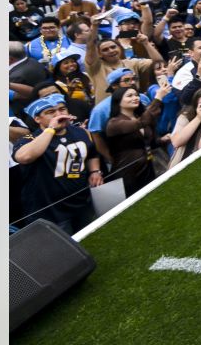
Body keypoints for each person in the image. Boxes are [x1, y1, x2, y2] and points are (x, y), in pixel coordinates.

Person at [12, 94, 103, 233]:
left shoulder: (80, 132)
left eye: (62, 109)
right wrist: (51, 129)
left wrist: (94, 171)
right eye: (50, 112)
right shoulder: (29, 139)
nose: (58, 114)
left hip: (81, 203)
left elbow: (92, 154)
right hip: (50, 211)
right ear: (37, 119)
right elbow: (25, 157)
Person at [104, 79, 173, 196]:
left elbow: (148, 143)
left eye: (136, 95)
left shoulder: (138, 116)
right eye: (129, 96)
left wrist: (162, 140)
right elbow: (140, 123)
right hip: (127, 174)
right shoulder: (114, 123)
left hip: (148, 169)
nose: (135, 98)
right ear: (118, 101)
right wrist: (158, 97)